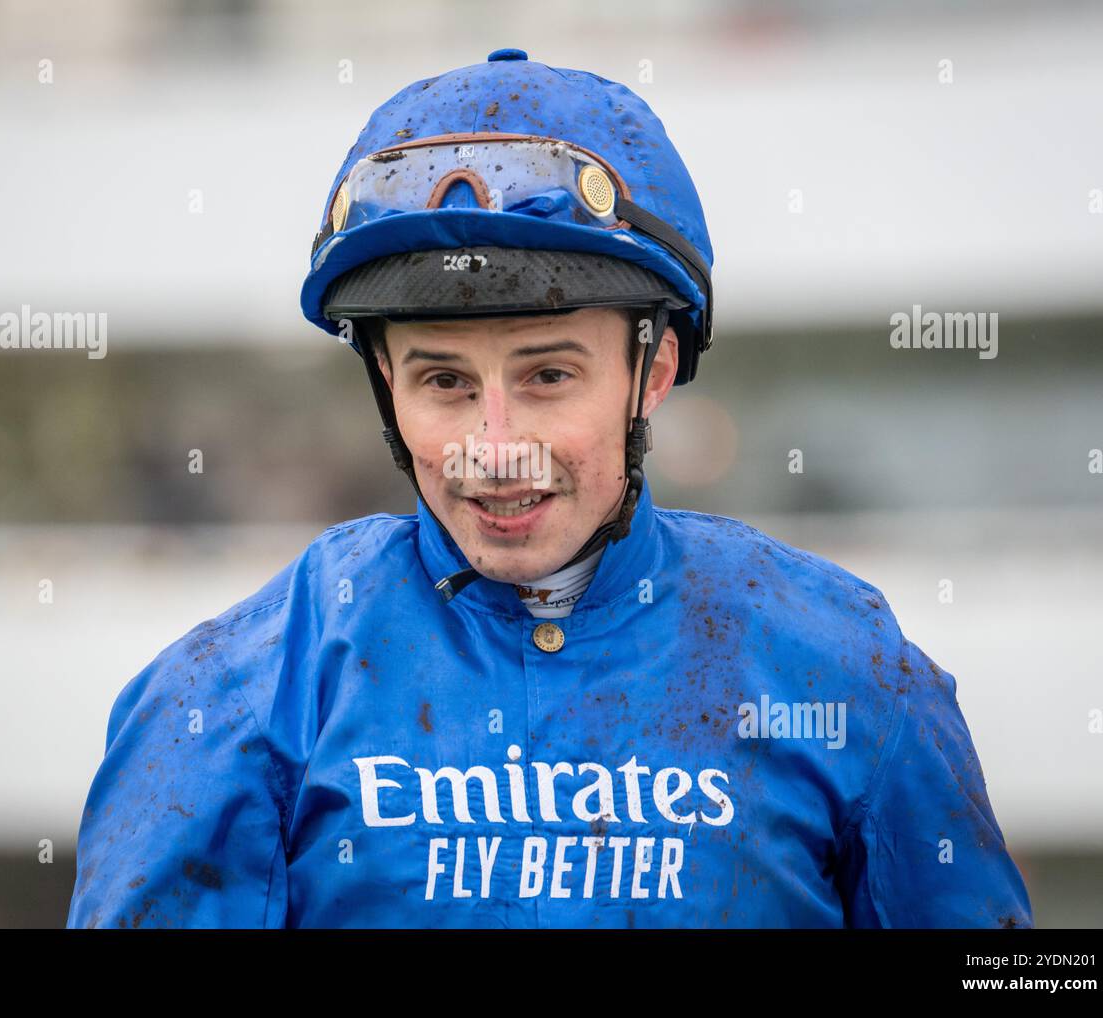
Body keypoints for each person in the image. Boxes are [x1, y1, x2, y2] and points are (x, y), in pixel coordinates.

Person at [65, 49, 1034, 929]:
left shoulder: (846, 666)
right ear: (385, 387)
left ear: (651, 373)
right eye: (444, 383)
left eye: (548, 376)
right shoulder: (226, 700)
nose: (495, 449)